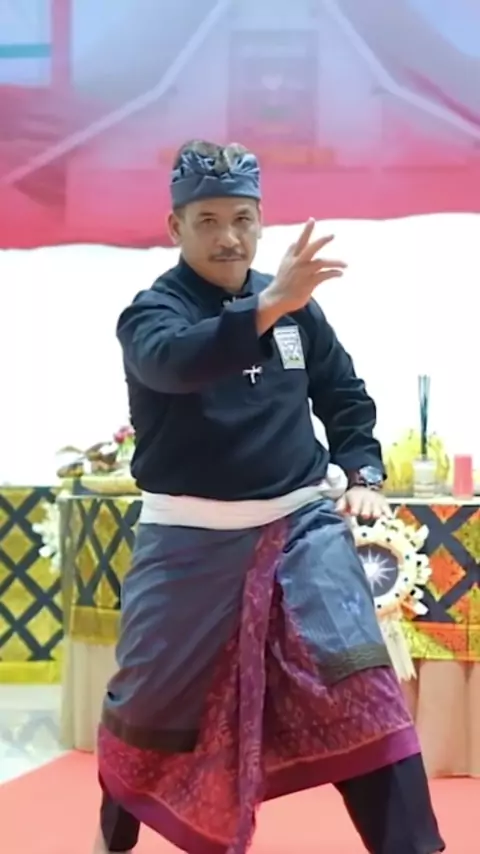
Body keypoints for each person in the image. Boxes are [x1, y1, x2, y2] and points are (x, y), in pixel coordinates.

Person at [94, 140, 444, 854]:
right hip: (188, 540)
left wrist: (364, 474)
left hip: (301, 526)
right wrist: (269, 305)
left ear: (261, 221)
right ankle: (112, 839)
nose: (229, 236)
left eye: (243, 219)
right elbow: (177, 364)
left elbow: (345, 397)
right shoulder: (152, 312)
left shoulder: (297, 310)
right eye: (209, 220)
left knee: (361, 683)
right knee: (152, 707)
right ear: (176, 226)